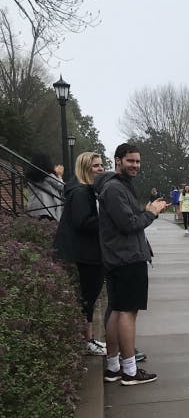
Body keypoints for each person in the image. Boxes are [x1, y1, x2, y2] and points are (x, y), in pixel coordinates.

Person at [95, 143, 169, 385]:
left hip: (121, 257)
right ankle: (129, 370)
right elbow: (129, 225)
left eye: (137, 161)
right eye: (130, 161)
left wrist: (145, 211)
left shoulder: (117, 187)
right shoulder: (114, 188)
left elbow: (128, 219)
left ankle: (115, 366)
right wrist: (152, 213)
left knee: (117, 310)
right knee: (128, 312)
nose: (135, 165)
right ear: (117, 161)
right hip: (127, 258)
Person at [54, 152, 107, 355]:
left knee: (90, 297)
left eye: (101, 165)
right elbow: (83, 222)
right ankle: (88, 340)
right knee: (88, 297)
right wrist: (108, 218)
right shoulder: (81, 192)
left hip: (86, 251)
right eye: (95, 166)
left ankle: (90, 338)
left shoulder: (86, 190)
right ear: (85, 168)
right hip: (85, 253)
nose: (100, 169)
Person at [24, 153, 65, 221]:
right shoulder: (47, 176)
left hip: (34, 206)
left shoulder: (30, 176)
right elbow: (61, 186)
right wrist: (59, 175)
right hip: (47, 208)